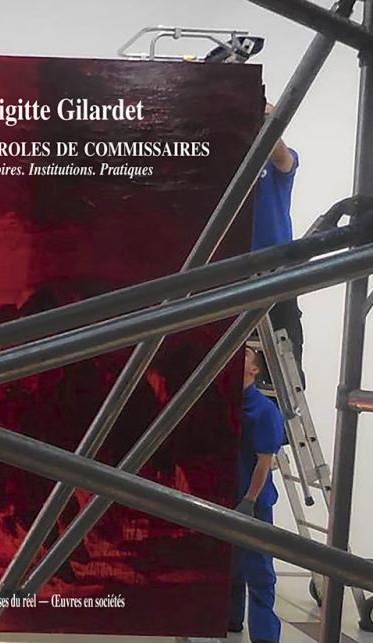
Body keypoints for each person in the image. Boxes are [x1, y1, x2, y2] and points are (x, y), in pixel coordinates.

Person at [229, 345, 285, 642]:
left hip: (254, 504)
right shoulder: (227, 405)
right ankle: (230, 620)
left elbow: (264, 463)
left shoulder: (264, 410)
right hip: (227, 501)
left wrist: (249, 501)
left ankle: (265, 637)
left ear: (255, 369)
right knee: (231, 568)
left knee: (259, 572)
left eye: (244, 357)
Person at [254, 103, 305, 386]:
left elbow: (282, 158)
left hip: (278, 275)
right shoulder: (227, 165)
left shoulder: (278, 162)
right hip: (235, 277)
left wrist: (266, 117)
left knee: (287, 370)